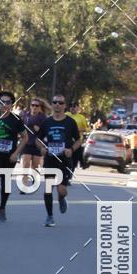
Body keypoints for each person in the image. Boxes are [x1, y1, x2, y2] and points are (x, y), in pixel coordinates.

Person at [0, 90, 27, 222]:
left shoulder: (16, 120)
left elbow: (25, 138)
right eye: (2, 102)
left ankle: (2, 207)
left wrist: (16, 153)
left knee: (6, 183)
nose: (4, 104)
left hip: (9, 155)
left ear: (12, 104)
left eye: (7, 102)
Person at [37, 95, 80, 227]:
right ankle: (50, 216)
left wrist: (71, 150)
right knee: (48, 188)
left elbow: (78, 140)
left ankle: (61, 199)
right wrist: (42, 148)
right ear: (52, 104)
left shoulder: (70, 122)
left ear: (64, 106)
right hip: (50, 159)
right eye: (55, 102)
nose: (57, 105)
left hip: (64, 160)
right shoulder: (47, 122)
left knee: (62, 190)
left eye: (60, 103)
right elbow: (38, 139)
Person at [21, 96, 49, 185]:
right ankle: (24, 185)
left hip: (38, 144)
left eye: (37, 106)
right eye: (32, 105)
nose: (34, 107)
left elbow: (47, 131)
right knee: (25, 164)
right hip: (27, 143)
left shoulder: (43, 118)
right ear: (30, 106)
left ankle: (34, 181)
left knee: (35, 166)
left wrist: (40, 130)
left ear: (40, 107)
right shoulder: (26, 115)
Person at [67, 100, 89, 175]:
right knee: (66, 159)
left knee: (74, 160)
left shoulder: (81, 117)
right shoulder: (66, 115)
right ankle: (64, 173)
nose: (72, 108)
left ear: (78, 108)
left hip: (77, 141)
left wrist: (78, 130)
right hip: (67, 141)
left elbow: (87, 128)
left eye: (74, 106)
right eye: (71, 106)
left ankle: (70, 175)